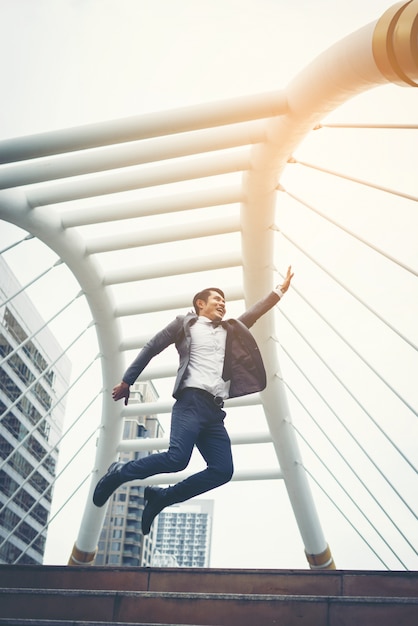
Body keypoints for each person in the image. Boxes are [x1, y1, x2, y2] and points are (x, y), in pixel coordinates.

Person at [93, 266, 294, 534]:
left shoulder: (230, 330)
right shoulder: (183, 324)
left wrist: (279, 291)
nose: (223, 304)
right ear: (201, 303)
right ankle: (119, 472)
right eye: (217, 300)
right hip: (190, 402)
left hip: (214, 413)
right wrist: (128, 380)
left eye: (225, 301)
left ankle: (162, 497)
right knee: (177, 458)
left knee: (223, 470)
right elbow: (151, 347)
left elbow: (254, 313)